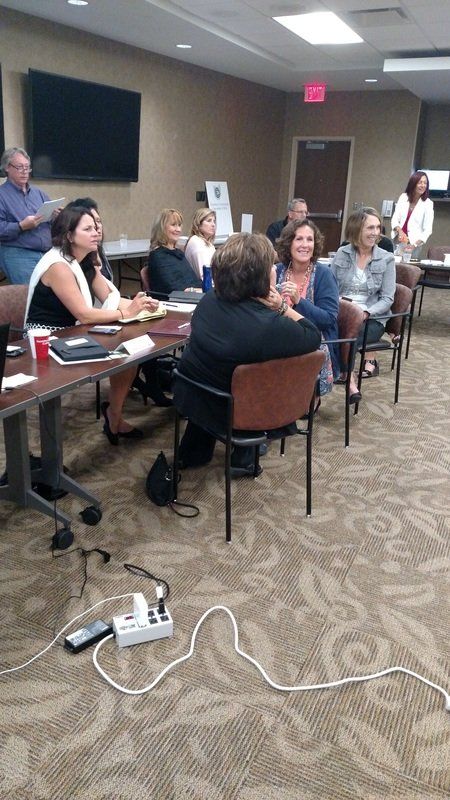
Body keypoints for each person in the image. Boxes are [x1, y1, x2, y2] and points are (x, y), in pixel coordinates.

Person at [174, 232, 321, 477]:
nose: (275, 271)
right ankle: (244, 456)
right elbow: (312, 334)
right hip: (240, 410)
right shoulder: (269, 325)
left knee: (242, 367)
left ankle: (197, 450)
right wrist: (282, 307)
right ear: (260, 277)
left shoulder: (209, 301)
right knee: (263, 372)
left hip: (194, 395)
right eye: (272, 267)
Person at [25, 206, 160, 445]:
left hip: (75, 331)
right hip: (48, 339)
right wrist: (125, 312)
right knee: (123, 348)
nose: (96, 232)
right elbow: (85, 314)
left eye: (96, 227)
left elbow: (110, 297)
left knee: (131, 348)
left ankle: (114, 415)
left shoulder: (84, 262)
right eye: (88, 229)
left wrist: (144, 303)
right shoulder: (58, 265)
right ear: (69, 236)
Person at [330, 208, 395, 403]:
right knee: (321, 331)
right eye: (370, 227)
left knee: (350, 336)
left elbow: (387, 299)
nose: (375, 232)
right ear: (357, 229)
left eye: (377, 227)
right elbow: (330, 287)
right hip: (342, 312)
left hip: (372, 318)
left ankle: (348, 379)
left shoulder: (386, 258)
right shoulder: (342, 253)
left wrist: (366, 311)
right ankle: (336, 379)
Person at [275, 219, 339, 406]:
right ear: (289, 243)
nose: (305, 245)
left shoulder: (324, 274)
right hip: (278, 332)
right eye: (299, 239)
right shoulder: (277, 270)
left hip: (314, 337)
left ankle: (307, 394)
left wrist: (298, 301)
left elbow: (328, 320)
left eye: (309, 240)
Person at [0, 147, 53, 283]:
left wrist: (56, 215)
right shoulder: (1, 195)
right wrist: (21, 226)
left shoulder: (39, 194)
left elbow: (51, 222)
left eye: (27, 167)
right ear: (7, 168)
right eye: (19, 167)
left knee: (52, 299)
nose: (25, 172)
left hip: (47, 253)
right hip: (19, 254)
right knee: (30, 298)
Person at [146, 208, 202, 295]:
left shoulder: (178, 253)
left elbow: (193, 280)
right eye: (173, 225)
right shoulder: (157, 256)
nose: (178, 229)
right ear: (162, 228)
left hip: (192, 297)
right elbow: (173, 288)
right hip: (173, 302)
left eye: (179, 225)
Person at [65, 197, 113, 281]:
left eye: (98, 221)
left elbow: (107, 293)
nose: (97, 228)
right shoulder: (63, 265)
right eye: (88, 228)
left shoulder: (97, 249)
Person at [391, 171, 434, 258]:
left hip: (414, 244)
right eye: (420, 182)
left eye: (425, 183)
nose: (423, 185)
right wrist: (400, 231)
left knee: (408, 270)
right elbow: (395, 219)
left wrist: (414, 245)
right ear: (413, 183)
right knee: (393, 267)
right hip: (397, 240)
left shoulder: (428, 203)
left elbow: (428, 230)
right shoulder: (403, 197)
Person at [184, 208, 216, 280]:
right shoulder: (196, 242)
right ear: (198, 224)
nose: (213, 224)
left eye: (214, 221)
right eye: (209, 221)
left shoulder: (209, 244)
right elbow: (204, 276)